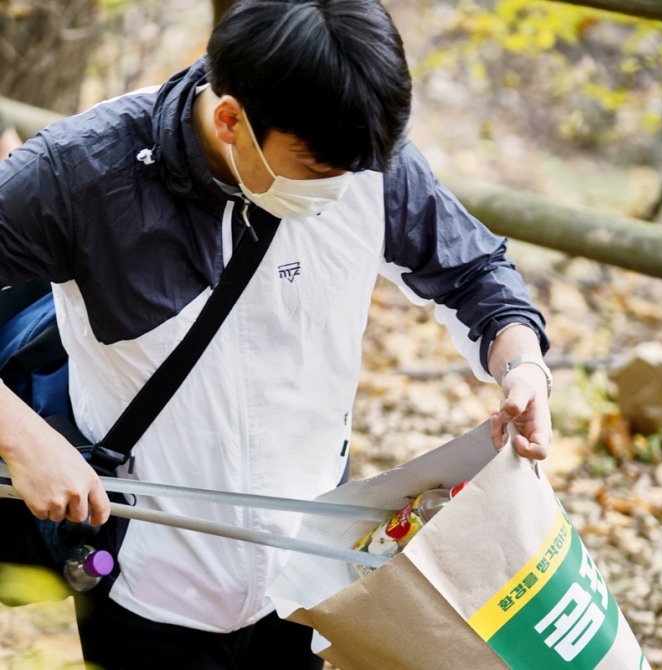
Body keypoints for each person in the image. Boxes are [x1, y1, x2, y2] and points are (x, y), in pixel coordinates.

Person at [0, 0, 552, 667]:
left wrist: (521, 363)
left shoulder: (362, 159)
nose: (344, 190)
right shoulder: (83, 174)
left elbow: (475, 273)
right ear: (231, 119)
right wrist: (23, 438)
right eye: (319, 173)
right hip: (150, 575)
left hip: (311, 572)